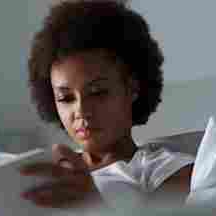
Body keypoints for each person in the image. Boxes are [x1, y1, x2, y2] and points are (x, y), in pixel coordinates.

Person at [20, 0, 195, 209]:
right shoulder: (48, 172)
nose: (81, 110)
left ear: (132, 88)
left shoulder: (166, 170)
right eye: (66, 98)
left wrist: (93, 204)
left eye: (97, 93)